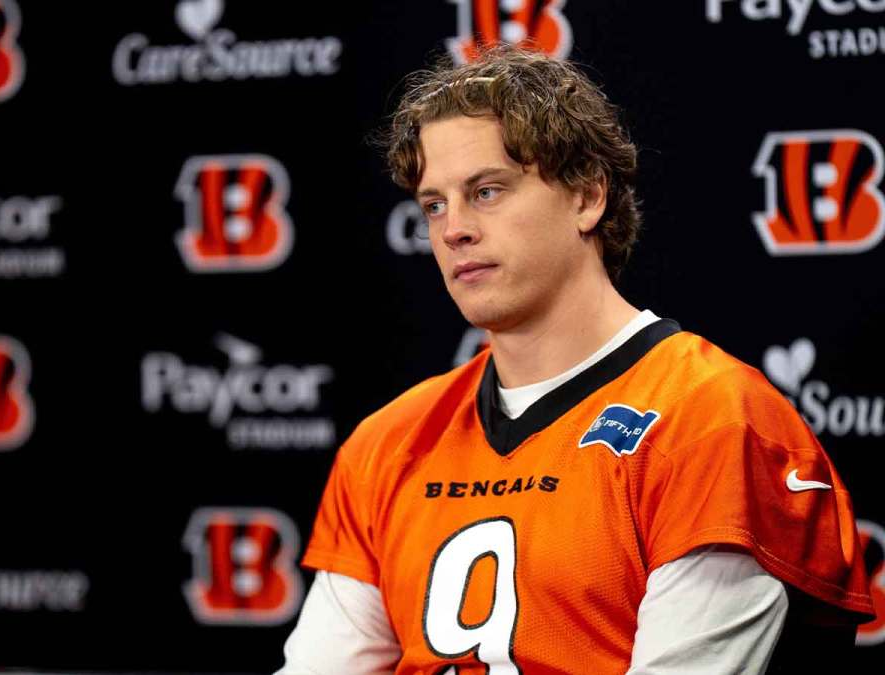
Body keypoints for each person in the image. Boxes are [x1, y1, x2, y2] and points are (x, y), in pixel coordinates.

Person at [275, 45, 874, 674]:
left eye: (486, 191)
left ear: (587, 197)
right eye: (434, 204)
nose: (453, 230)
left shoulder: (712, 421)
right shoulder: (388, 442)